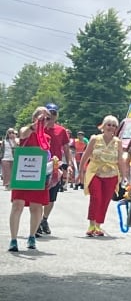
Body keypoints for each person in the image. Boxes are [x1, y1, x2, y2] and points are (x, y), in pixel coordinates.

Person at [8, 107, 52, 251]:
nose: (44, 121)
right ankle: (13, 239)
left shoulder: (47, 138)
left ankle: (32, 236)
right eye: (42, 118)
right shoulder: (25, 130)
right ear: (35, 118)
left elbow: (47, 156)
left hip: (38, 174)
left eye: (47, 119)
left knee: (36, 206)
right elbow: (23, 134)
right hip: (22, 173)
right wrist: (35, 125)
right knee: (17, 205)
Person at [78, 115, 128, 237]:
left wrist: (124, 176)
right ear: (103, 126)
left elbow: (120, 160)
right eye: (108, 125)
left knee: (105, 200)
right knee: (96, 197)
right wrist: (80, 172)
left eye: (113, 126)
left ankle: (98, 225)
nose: (111, 127)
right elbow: (85, 156)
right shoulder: (95, 139)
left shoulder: (118, 142)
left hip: (111, 174)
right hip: (95, 172)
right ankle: (91, 224)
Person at [39, 103, 72, 236]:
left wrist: (68, 164)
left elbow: (66, 148)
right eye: (49, 114)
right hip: (40, 165)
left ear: (57, 115)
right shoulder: (39, 129)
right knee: (39, 195)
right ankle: (36, 221)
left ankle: (44, 219)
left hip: (55, 166)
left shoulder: (61, 130)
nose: (51, 116)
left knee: (52, 197)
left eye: (54, 113)